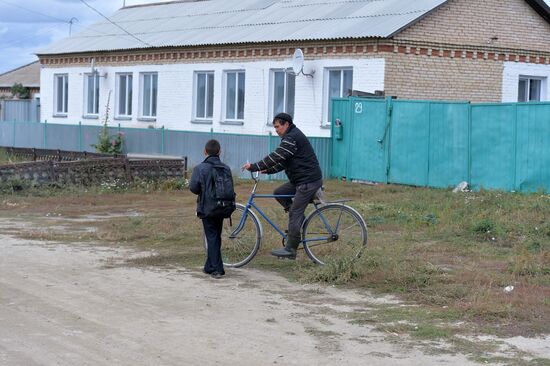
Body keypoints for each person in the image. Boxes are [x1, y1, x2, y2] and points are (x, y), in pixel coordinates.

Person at [242, 113, 323, 259]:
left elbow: (276, 156)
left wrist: (254, 166)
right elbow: (284, 161)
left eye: (277, 127)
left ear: (286, 124)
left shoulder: (291, 138)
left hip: (307, 181)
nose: (276, 130)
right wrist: (268, 170)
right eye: (274, 127)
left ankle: (291, 249)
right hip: (301, 180)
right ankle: (301, 223)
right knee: (279, 192)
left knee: (295, 213)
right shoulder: (290, 137)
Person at [189, 139, 231, 279]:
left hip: (207, 207)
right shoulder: (226, 168)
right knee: (214, 236)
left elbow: (194, 188)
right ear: (220, 152)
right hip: (223, 207)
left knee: (212, 236)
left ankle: (217, 269)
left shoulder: (200, 168)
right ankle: (209, 266)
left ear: (205, 152)